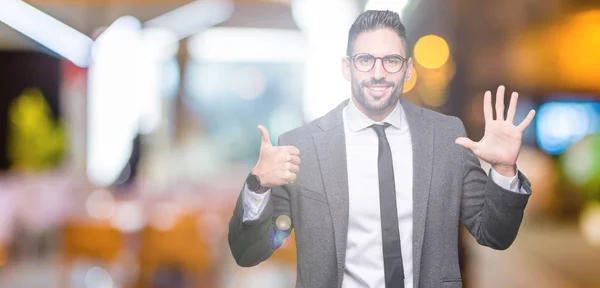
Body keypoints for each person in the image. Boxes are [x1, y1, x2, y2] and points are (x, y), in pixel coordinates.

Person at [228, 10, 535, 288]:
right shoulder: (302, 146)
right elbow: (249, 252)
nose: (378, 73)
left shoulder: (446, 137)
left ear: (408, 69)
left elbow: (495, 235)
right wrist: (258, 185)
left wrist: (504, 171)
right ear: (348, 67)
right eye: (365, 60)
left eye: (391, 60)